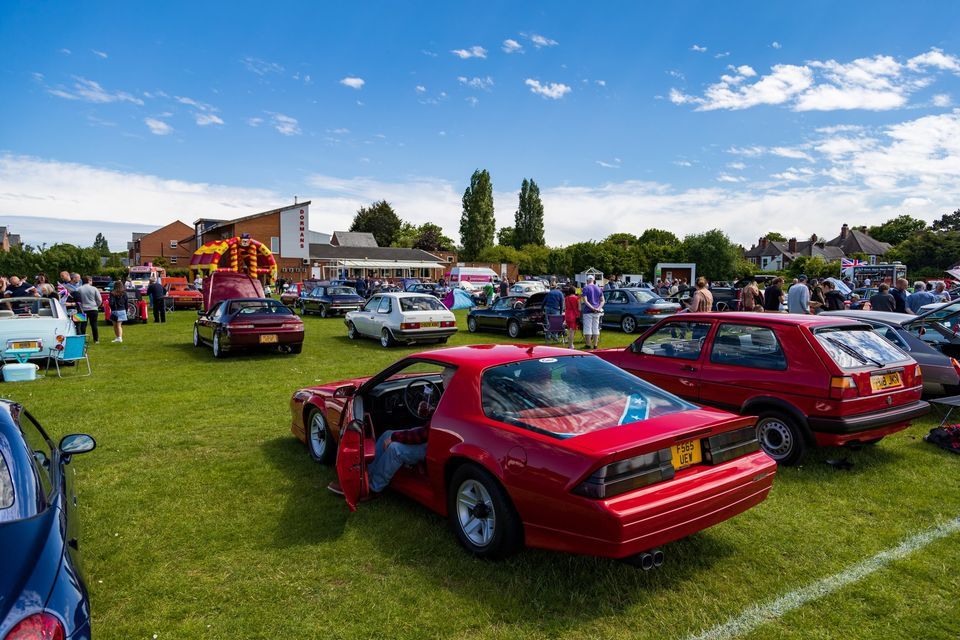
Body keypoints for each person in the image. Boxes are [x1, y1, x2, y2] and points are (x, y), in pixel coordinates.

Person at [328, 367, 457, 497]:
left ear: (453, 379)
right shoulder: (452, 396)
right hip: (437, 438)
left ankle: (374, 488)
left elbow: (422, 435)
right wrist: (430, 411)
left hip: (435, 446)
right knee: (386, 433)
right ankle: (366, 477)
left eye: (444, 375)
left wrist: (395, 437)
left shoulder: (451, 402)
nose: (441, 378)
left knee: (395, 449)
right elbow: (432, 425)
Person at [75, 276, 102, 343]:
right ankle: (96, 340)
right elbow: (99, 300)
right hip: (93, 309)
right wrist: (96, 306)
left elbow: (77, 300)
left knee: (83, 325)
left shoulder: (78, 289)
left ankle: (82, 339)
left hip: (83, 309)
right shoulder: (94, 288)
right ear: (89, 281)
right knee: (94, 324)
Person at [580, 275, 604, 349]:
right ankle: (595, 345)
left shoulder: (585, 288)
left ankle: (588, 344)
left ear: (587, 281)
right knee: (596, 328)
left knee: (588, 328)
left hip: (588, 311)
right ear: (593, 280)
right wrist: (598, 308)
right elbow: (603, 300)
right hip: (597, 311)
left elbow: (585, 301)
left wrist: (592, 308)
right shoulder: (599, 288)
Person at [108, 279, 128, 343]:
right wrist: (126, 310)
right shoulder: (124, 293)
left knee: (115, 325)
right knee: (119, 325)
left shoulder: (112, 293)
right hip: (122, 310)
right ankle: (119, 337)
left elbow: (111, 302)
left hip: (115, 310)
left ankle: (118, 338)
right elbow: (126, 302)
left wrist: (111, 307)